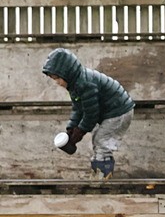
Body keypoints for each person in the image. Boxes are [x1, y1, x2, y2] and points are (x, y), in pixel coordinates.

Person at [42, 48, 135, 179]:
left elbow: (91, 113)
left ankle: (103, 176)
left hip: (119, 111)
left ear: (67, 73)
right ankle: (99, 173)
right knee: (98, 138)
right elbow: (78, 108)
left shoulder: (84, 84)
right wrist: (71, 129)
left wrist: (79, 132)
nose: (57, 83)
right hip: (110, 112)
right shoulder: (75, 84)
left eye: (58, 78)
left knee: (101, 140)